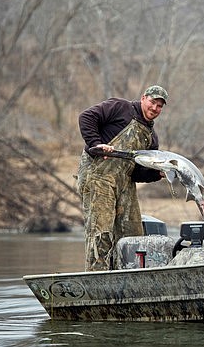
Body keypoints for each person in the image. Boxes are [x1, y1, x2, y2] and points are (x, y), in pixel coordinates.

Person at [76, 85, 168, 271]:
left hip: (125, 184)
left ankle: (127, 277)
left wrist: (157, 174)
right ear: (143, 98)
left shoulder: (151, 138)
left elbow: (137, 173)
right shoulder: (120, 107)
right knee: (101, 233)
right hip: (98, 178)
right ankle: (97, 277)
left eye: (160, 106)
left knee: (133, 234)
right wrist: (96, 143)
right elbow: (86, 117)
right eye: (152, 102)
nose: (154, 108)